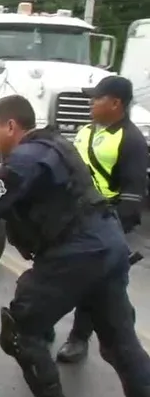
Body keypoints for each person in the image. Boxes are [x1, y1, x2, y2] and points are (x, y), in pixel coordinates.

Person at [0, 94, 150, 397]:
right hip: (107, 244)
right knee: (122, 344)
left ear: (11, 126)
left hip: (75, 253)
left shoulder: (25, 159)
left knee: (22, 330)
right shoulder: (54, 144)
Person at [56, 75, 149, 363]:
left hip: (103, 222)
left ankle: (80, 338)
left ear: (115, 103)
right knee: (55, 273)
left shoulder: (131, 140)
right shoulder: (85, 130)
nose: (90, 103)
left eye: (96, 98)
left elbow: (133, 196)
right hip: (71, 216)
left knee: (94, 284)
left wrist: (110, 230)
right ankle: (39, 327)